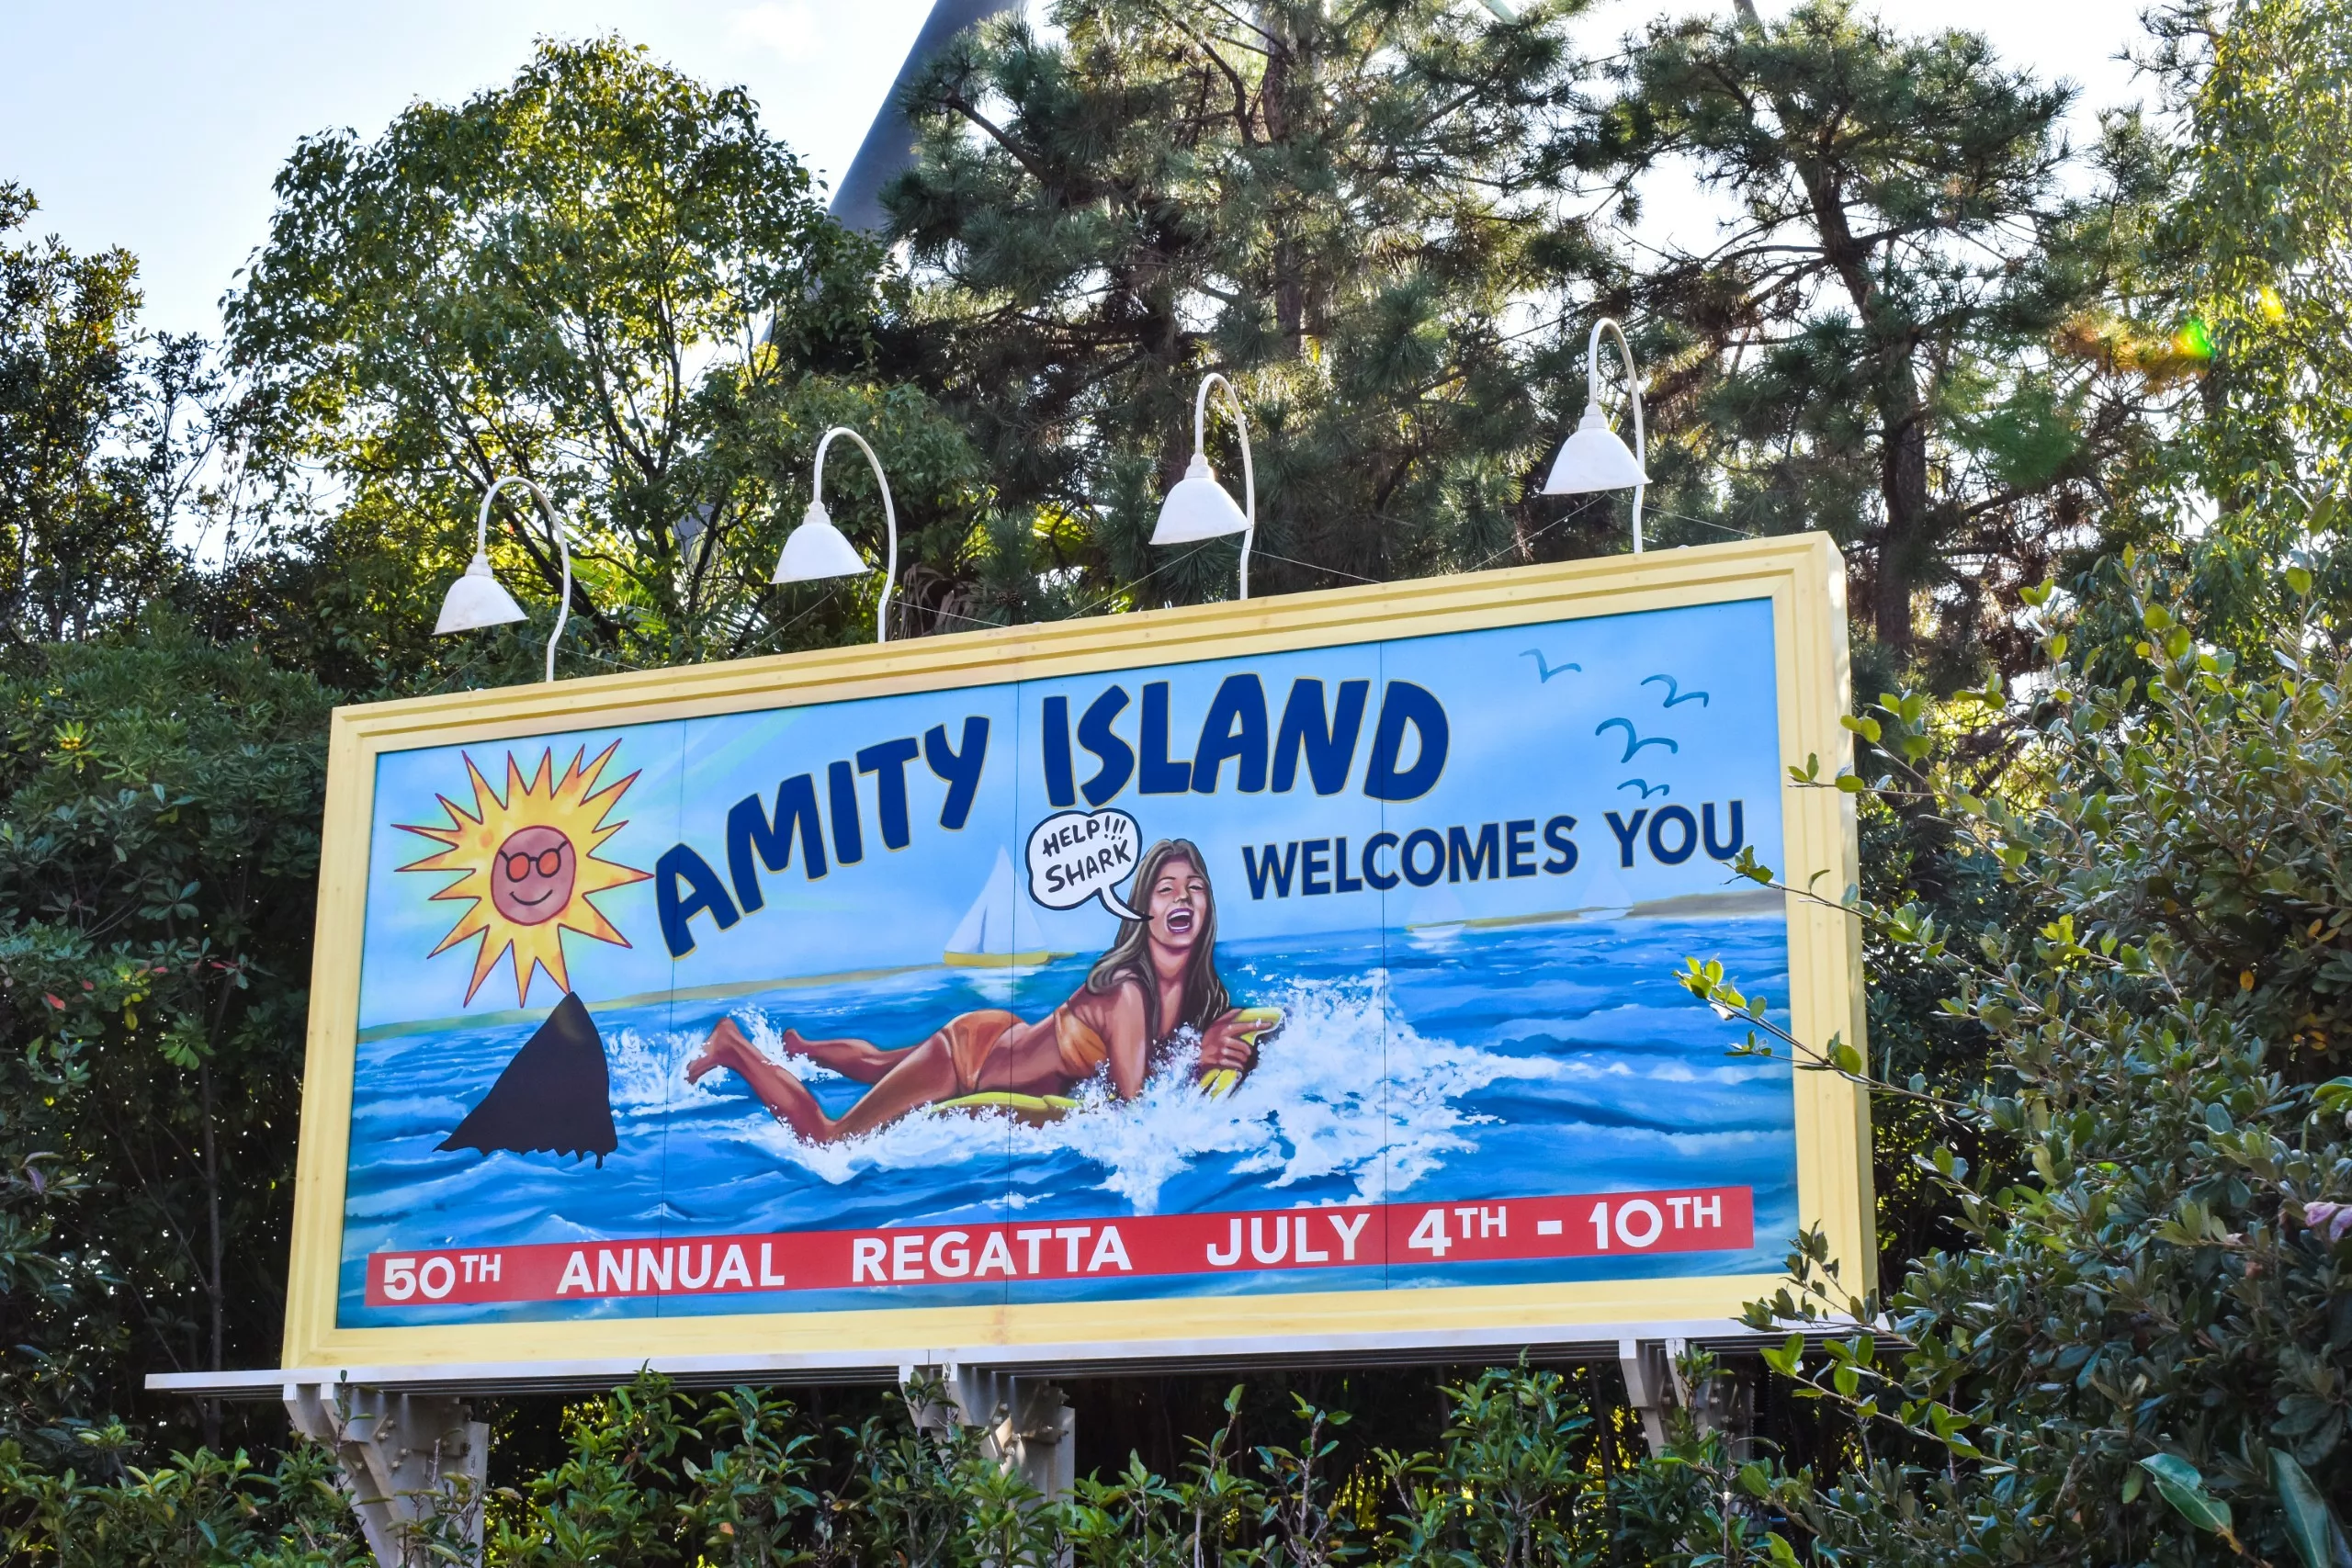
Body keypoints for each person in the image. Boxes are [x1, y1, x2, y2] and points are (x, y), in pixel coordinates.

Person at [684, 838, 1258, 1143]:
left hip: (1007, 1037)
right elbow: (1137, 1112)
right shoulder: (1129, 992)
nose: (1182, 898)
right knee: (832, 1139)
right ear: (1142, 909)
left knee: (880, 1065)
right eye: (1165, 889)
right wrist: (1200, 1061)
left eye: (1195, 888)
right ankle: (736, 1047)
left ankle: (803, 1050)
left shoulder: (1199, 999)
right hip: (971, 1061)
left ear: (1208, 906)